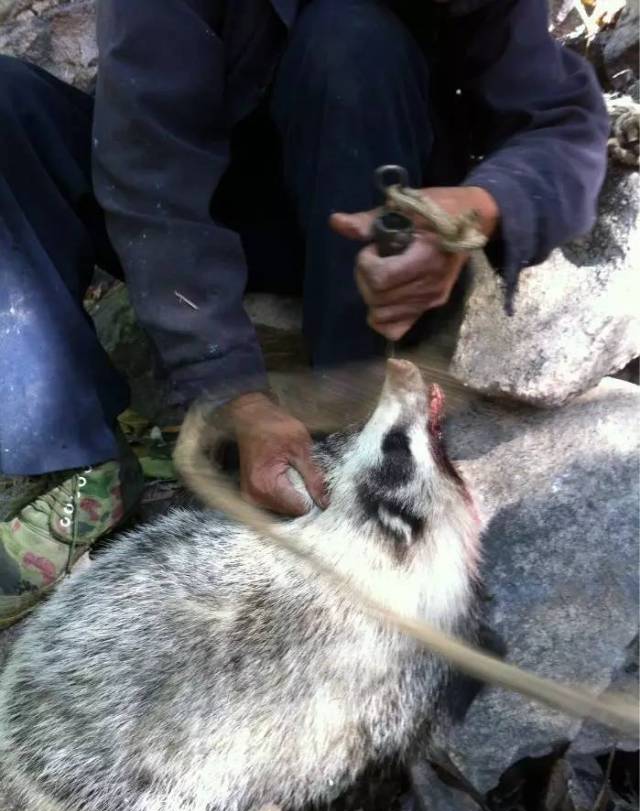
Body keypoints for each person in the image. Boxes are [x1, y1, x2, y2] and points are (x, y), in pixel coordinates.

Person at [0, 0, 609, 626]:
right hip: (217, 206)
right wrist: (234, 393)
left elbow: (563, 126)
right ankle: (68, 466)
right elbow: (148, 169)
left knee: (350, 34)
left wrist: (474, 210)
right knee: (7, 101)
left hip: (375, 207)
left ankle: (347, 426)